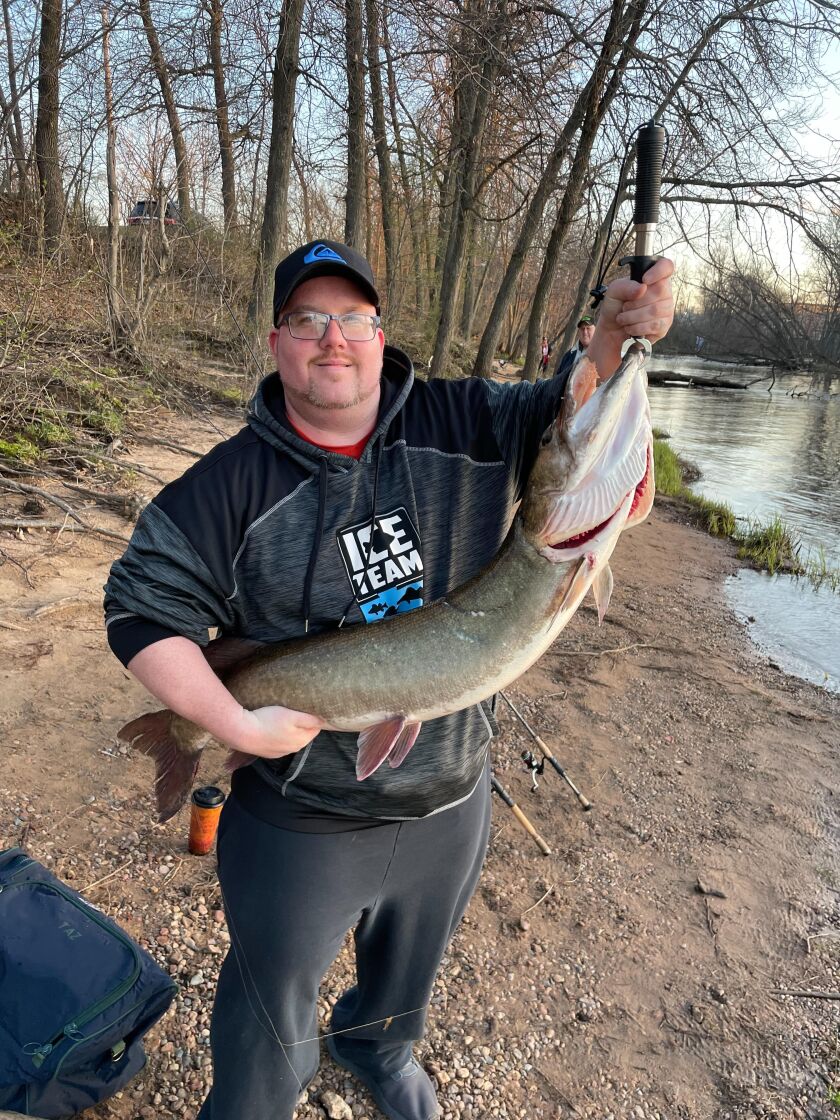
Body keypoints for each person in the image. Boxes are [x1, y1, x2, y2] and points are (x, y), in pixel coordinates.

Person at [104, 239, 674, 1120]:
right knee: (268, 1011)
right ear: (276, 341)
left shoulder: (467, 420)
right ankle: (259, 1097)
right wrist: (231, 725)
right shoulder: (226, 486)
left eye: (354, 320)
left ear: (380, 333)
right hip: (303, 813)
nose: (334, 339)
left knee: (410, 969)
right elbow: (139, 610)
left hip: (450, 793)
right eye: (308, 321)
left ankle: (378, 1045)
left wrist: (614, 334)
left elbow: (573, 408)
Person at [553, 312, 596, 380]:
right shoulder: (569, 355)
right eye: (582, 329)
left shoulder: (601, 354)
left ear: (595, 331)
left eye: (588, 328)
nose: (585, 332)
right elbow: (557, 380)